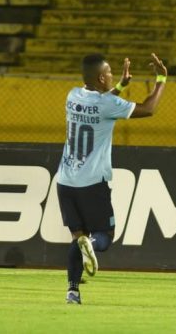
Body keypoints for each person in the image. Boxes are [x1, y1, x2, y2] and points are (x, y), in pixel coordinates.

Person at [57, 53, 167, 304]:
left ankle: (72, 291)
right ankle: (92, 244)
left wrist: (119, 86)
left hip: (65, 180)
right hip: (92, 182)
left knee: (77, 237)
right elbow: (149, 108)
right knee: (104, 236)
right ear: (100, 77)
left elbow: (99, 103)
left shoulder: (72, 95)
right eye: (108, 74)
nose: (111, 77)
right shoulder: (107, 105)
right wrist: (161, 78)